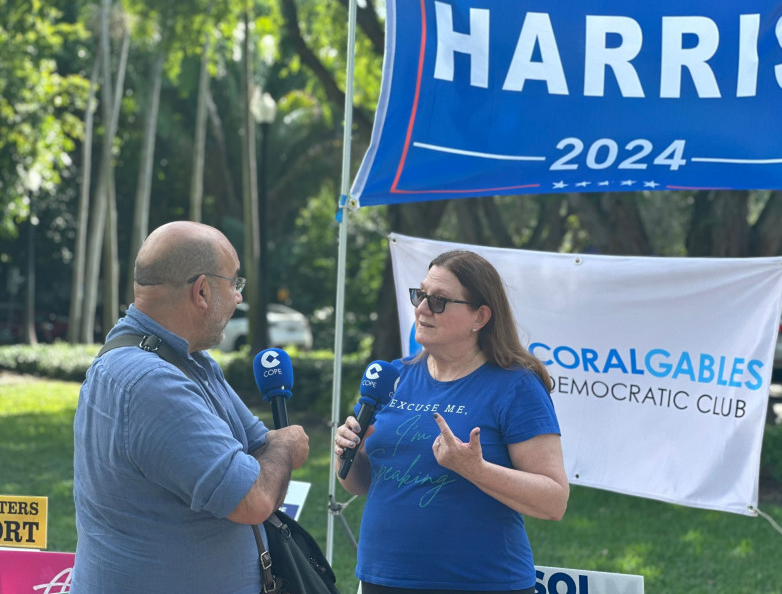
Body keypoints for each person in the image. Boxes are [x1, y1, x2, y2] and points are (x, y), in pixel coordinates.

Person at [72, 221, 309, 593]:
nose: (238, 298)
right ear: (201, 290)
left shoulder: (183, 360)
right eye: (235, 284)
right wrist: (287, 443)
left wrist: (269, 451)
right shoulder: (152, 381)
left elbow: (257, 444)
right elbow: (254, 499)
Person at [335, 250, 569, 594]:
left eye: (439, 300)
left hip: (480, 583)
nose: (422, 308)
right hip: (382, 579)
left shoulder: (515, 385)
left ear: (480, 316)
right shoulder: (392, 376)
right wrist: (347, 453)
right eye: (420, 295)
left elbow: (554, 502)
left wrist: (476, 469)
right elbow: (360, 484)